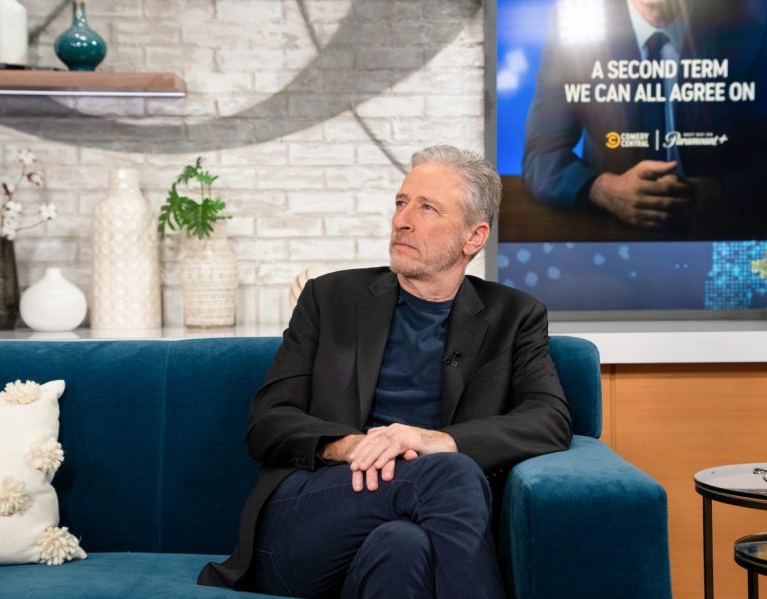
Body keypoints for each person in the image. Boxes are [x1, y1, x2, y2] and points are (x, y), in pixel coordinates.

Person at [197, 145, 573, 598]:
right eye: (401, 203)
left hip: (410, 528)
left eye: (427, 207)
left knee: (404, 546)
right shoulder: (329, 298)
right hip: (309, 519)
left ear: (474, 237)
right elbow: (268, 421)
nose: (402, 220)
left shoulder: (514, 316)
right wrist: (356, 446)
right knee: (450, 474)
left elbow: (549, 419)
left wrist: (437, 441)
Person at [522, 0, 767, 240]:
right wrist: (604, 189)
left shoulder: (755, 22)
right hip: (608, 240)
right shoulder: (575, 23)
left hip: (724, 236)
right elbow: (541, 158)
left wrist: (721, 191)